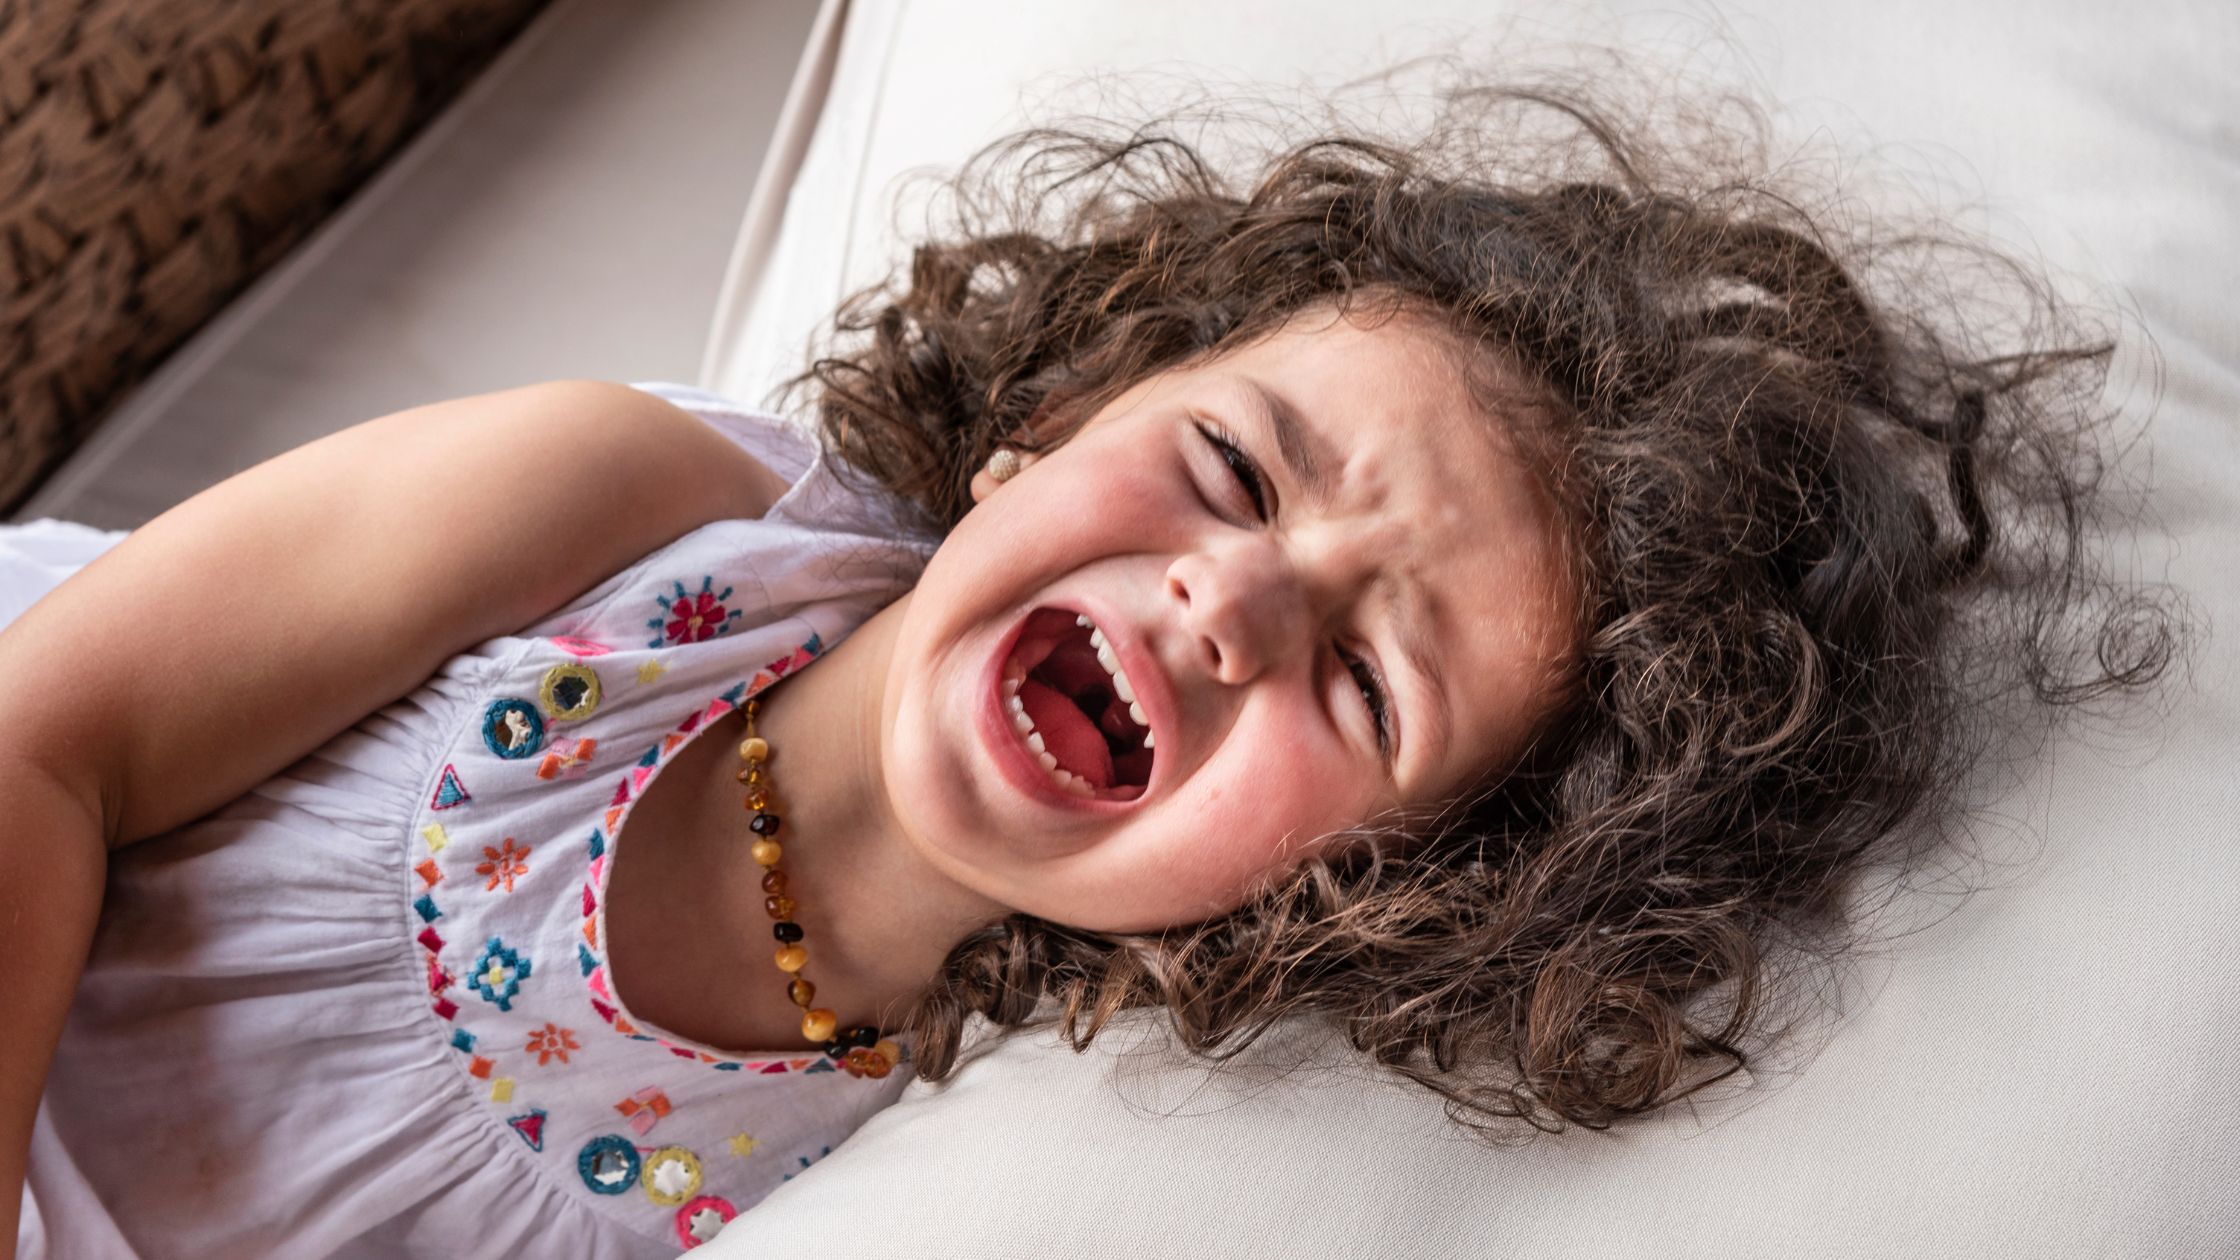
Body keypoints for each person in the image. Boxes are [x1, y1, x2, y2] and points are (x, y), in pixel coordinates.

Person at [0, 72, 2175, 1259]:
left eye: (1360, 685)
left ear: (1373, 889)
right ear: (1054, 417)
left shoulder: (946, 1143)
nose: (1226, 607)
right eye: (1224, 463)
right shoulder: (653, 516)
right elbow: (51, 745)